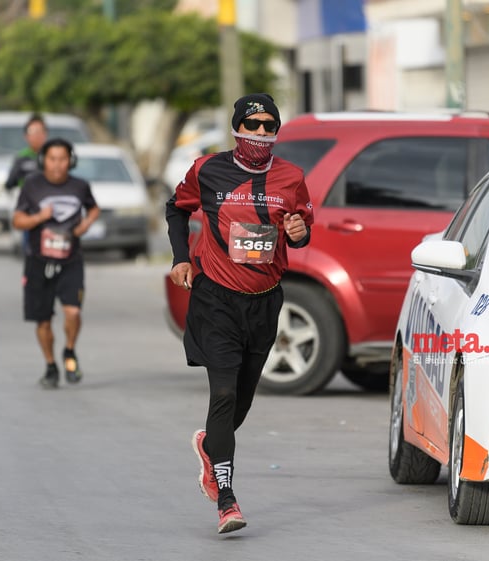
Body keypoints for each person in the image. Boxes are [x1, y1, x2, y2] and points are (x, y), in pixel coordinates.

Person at [165, 93, 314, 534]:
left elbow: (303, 229)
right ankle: (227, 501)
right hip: (216, 298)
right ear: (237, 130)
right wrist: (180, 257)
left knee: (241, 403)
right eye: (254, 126)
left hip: (264, 300)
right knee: (224, 394)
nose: (263, 134)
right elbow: (176, 208)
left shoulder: (291, 177)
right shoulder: (207, 170)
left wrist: (299, 232)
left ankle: (210, 447)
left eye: (271, 126)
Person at [11, 138, 100, 389]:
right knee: (43, 320)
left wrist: (84, 225)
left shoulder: (80, 186)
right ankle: (50, 366)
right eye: (52, 159)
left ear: (70, 161)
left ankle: (69, 350)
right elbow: (17, 220)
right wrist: (40, 216)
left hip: (71, 260)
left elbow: (94, 209)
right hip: (38, 262)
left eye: (63, 159)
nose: (58, 165)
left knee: (73, 311)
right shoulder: (32, 185)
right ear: (43, 160)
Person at [6, 114, 48, 255]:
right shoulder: (22, 158)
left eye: (40, 132)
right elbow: (10, 182)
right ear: (26, 137)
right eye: (33, 133)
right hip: (29, 206)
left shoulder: (52, 156)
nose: (37, 136)